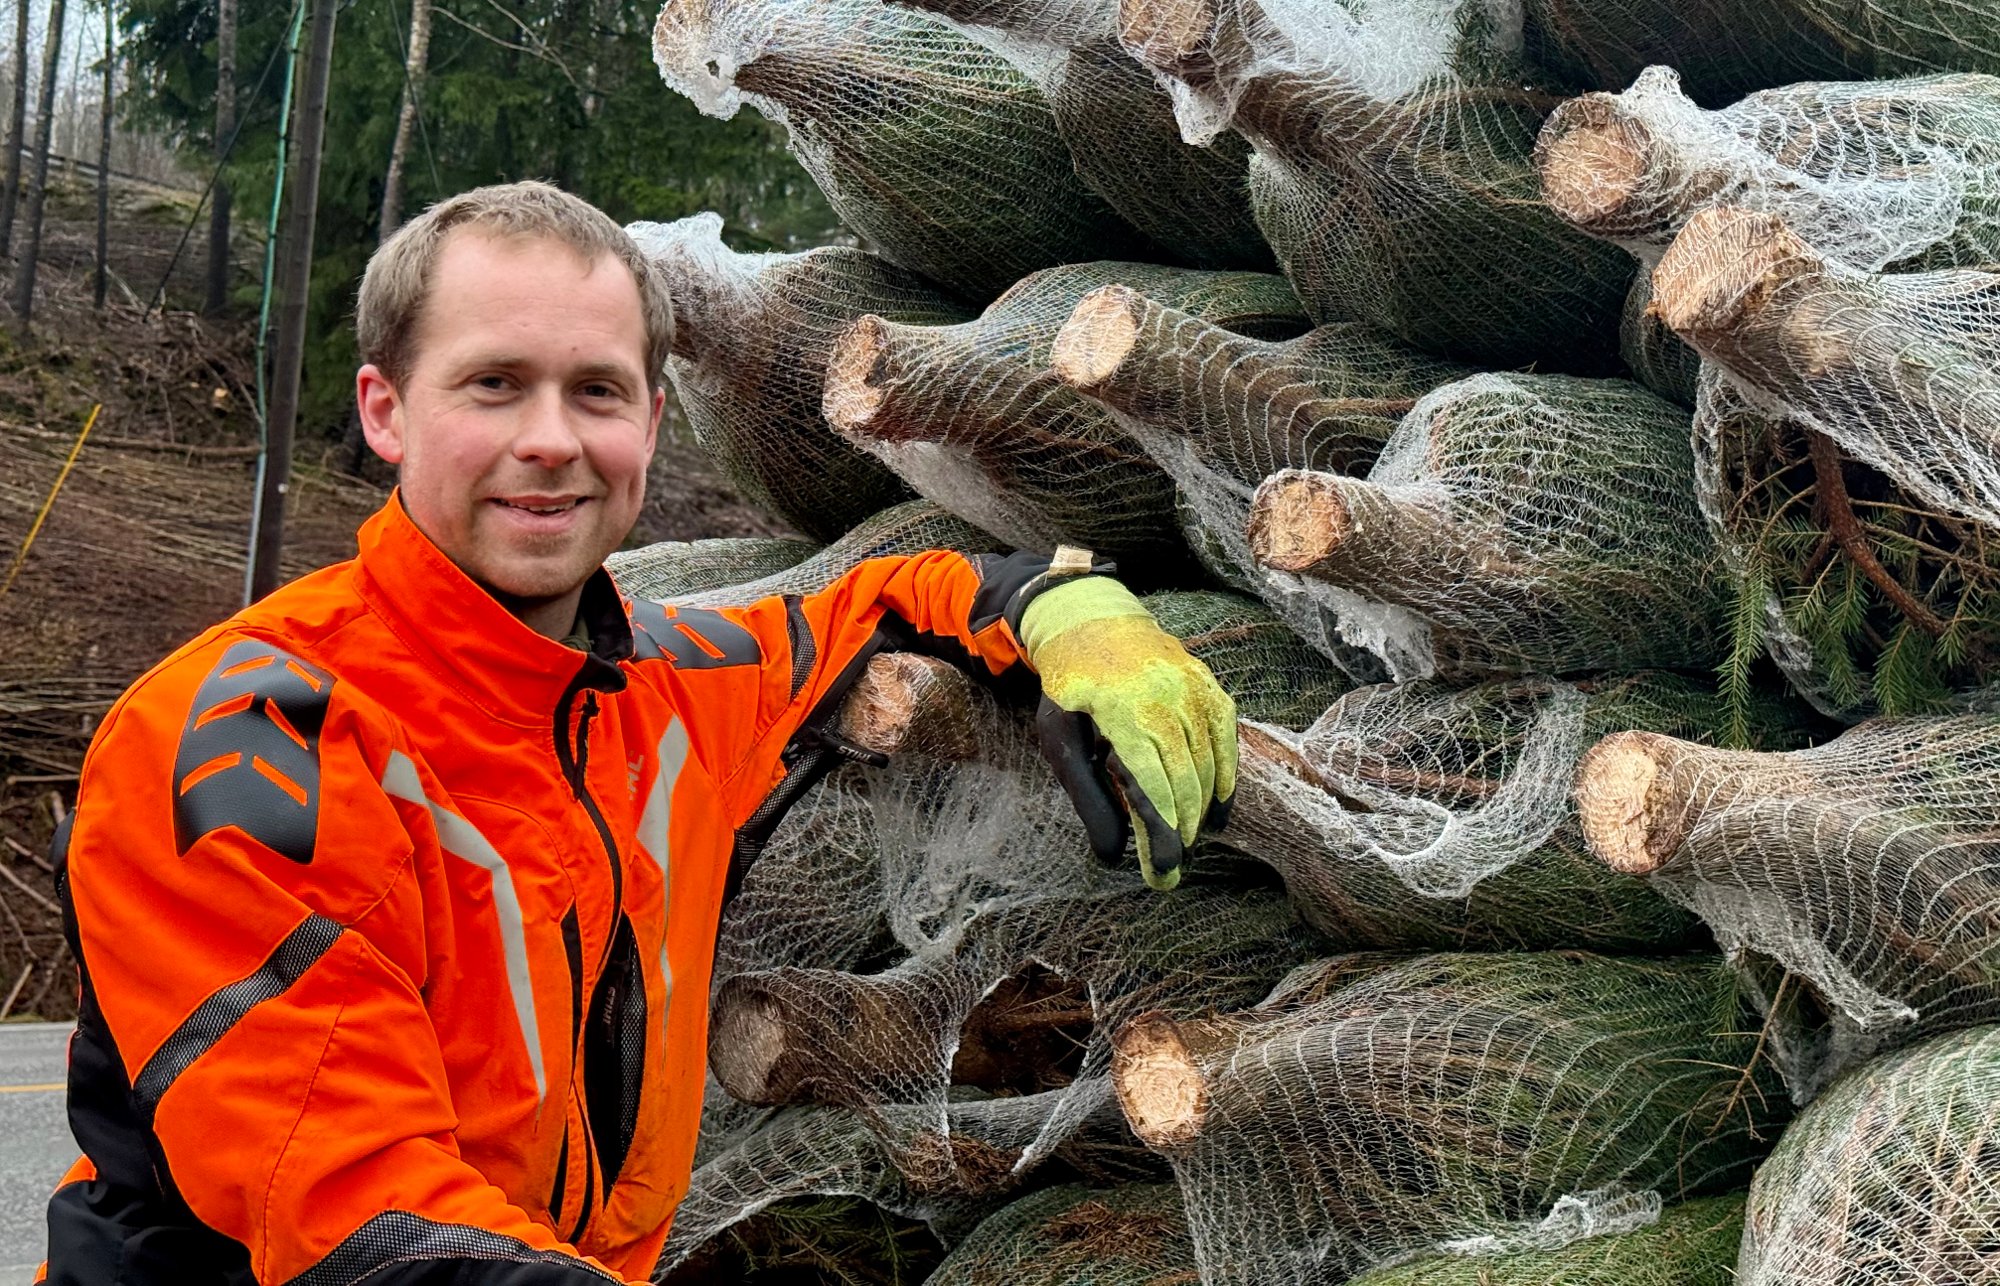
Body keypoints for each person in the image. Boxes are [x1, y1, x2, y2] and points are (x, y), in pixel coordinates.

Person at [38, 180, 1237, 1284]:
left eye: (596, 390)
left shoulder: (666, 688)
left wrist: (1060, 608)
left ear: (651, 425)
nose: (551, 439)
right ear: (385, 410)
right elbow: (352, 1211)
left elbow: (880, 603)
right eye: (493, 383)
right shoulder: (244, 743)